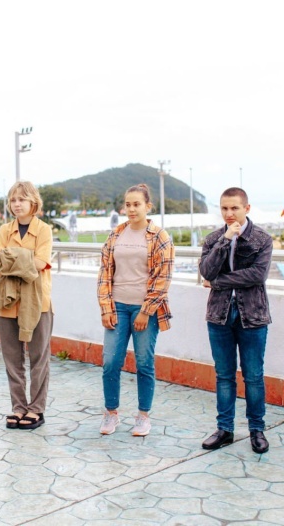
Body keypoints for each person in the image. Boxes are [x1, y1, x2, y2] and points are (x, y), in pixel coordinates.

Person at [199, 187, 273, 453]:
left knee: (253, 376)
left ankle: (257, 430)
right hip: (218, 316)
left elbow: (257, 275)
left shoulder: (261, 239)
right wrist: (225, 239)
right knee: (224, 375)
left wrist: (217, 282)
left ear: (246, 208)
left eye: (234, 208)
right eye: (224, 208)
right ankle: (225, 429)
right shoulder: (213, 239)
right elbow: (205, 270)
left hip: (252, 315)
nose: (229, 213)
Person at [97, 184, 174, 436]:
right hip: (117, 306)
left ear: (148, 206)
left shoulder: (159, 236)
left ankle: (143, 416)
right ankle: (111, 413)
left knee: (144, 362)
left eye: (137, 204)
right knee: (110, 361)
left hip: (145, 310)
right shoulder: (116, 235)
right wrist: (106, 308)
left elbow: (163, 278)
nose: (131, 209)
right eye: (128, 204)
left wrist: (146, 311)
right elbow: (105, 273)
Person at [0, 181, 53, 430]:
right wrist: (23, 257)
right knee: (12, 359)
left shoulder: (44, 230)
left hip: (38, 302)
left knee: (39, 358)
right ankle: (18, 407)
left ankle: (36, 409)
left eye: (22, 199)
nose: (17, 204)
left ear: (33, 202)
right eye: (13, 200)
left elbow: (41, 262)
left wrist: (10, 256)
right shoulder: (4, 230)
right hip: (7, 301)